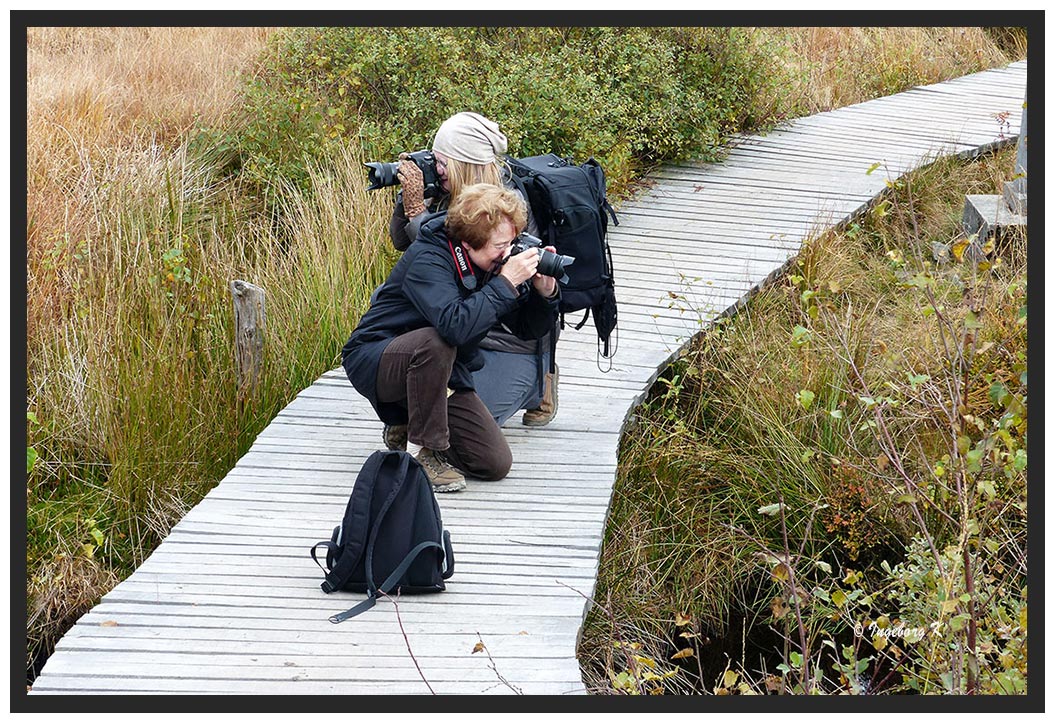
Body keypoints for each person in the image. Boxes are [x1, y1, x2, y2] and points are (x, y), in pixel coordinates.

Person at [341, 184, 560, 492]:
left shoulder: (489, 264)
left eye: (512, 242)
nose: (508, 253)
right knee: (436, 340)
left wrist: (544, 292)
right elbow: (454, 327)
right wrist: (507, 281)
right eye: (500, 245)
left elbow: (527, 329)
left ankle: (407, 417)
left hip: (439, 368)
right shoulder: (429, 258)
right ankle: (426, 453)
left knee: (494, 463)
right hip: (377, 357)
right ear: (468, 243)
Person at [387, 112, 559, 445]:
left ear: (465, 164)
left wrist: (417, 214)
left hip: (506, 337)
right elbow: (403, 243)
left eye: (441, 163)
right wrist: (411, 197)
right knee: (399, 295)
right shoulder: (447, 195)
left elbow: (508, 300)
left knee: (462, 432)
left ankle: (542, 378)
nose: (435, 169)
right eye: (433, 160)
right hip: (465, 326)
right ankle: (414, 406)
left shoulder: (506, 208)